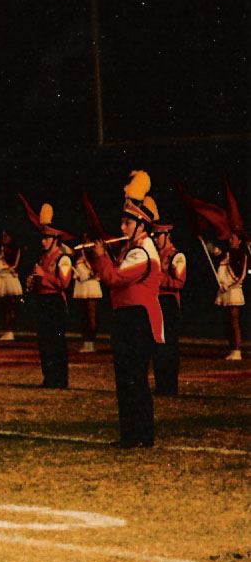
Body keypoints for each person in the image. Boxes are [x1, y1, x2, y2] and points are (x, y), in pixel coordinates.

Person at [87, 171, 163, 449]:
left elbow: (114, 279)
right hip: (128, 317)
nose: (121, 227)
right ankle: (134, 434)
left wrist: (100, 257)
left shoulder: (141, 252)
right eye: (122, 221)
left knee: (133, 378)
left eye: (127, 222)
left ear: (141, 225)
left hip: (136, 318)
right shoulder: (132, 249)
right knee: (128, 378)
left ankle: (137, 435)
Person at [25, 204, 73, 388]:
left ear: (55, 239)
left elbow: (63, 283)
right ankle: (49, 377)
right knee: (44, 341)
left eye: (46, 238)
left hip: (55, 301)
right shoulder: (42, 258)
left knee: (56, 341)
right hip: (42, 300)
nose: (43, 241)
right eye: (42, 238)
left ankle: (60, 379)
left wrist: (43, 275)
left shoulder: (63, 258)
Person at [152, 213, 185, 393]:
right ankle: (160, 384)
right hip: (155, 301)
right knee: (157, 344)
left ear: (167, 235)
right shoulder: (154, 255)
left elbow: (179, 282)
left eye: (159, 235)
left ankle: (170, 385)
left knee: (170, 344)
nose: (156, 239)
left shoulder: (176, 256)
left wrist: (157, 278)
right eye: (155, 235)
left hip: (169, 301)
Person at [213, 233, 246, 361]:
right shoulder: (226, 253)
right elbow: (214, 251)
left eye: (233, 238)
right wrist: (205, 240)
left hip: (233, 290)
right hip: (224, 290)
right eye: (229, 238)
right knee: (227, 321)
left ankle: (237, 350)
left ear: (239, 241)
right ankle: (232, 349)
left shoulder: (242, 255)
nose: (230, 241)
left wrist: (227, 285)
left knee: (234, 321)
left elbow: (240, 275)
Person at [0, 231, 22, 341]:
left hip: (9, 278)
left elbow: (15, 265)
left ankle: (10, 331)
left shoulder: (15, 249)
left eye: (6, 236)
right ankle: (6, 330)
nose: (4, 238)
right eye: (2, 236)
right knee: (3, 306)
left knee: (10, 306)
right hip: (0, 278)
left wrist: (4, 268)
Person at [72, 241, 103, 353]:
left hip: (92, 288)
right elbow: (78, 275)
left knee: (91, 316)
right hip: (82, 288)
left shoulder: (94, 259)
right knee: (83, 316)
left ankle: (91, 342)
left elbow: (98, 273)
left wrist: (90, 273)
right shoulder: (78, 260)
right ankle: (86, 342)